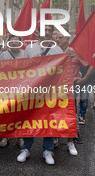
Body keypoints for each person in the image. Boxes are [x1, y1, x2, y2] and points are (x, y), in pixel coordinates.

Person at [17, 25, 63, 165]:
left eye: (50, 30)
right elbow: (22, 68)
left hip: (50, 91)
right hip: (32, 90)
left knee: (48, 118)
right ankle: (26, 148)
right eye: (45, 30)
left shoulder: (57, 49)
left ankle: (47, 150)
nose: (47, 32)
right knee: (30, 118)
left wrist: (70, 56)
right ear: (39, 32)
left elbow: (63, 69)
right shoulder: (30, 48)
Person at [0, 35, 25, 149]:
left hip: (22, 87)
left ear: (20, 42)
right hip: (6, 87)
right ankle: (5, 136)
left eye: (16, 40)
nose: (13, 42)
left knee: (20, 112)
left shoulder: (25, 53)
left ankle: (20, 137)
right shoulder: (4, 54)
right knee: (7, 112)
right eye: (11, 40)